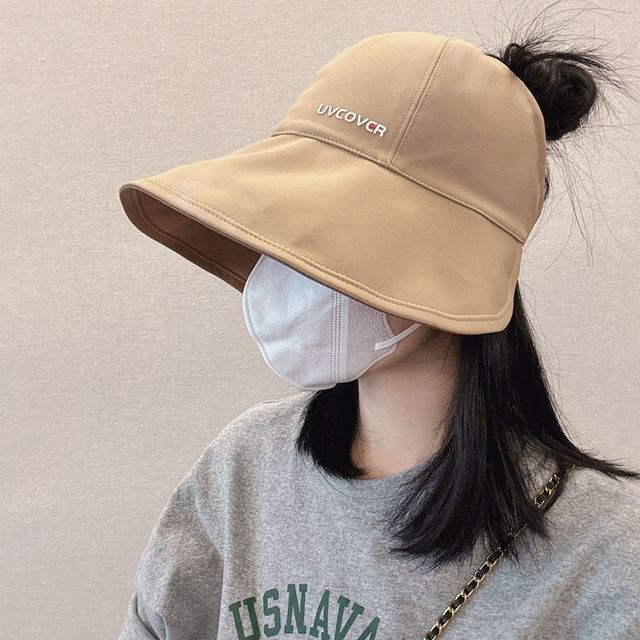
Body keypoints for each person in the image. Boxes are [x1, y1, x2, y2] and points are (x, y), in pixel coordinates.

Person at [116, 21, 640, 640]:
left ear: (459, 263)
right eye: (290, 222)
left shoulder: (604, 552)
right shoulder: (244, 468)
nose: (300, 266)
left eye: (350, 230)